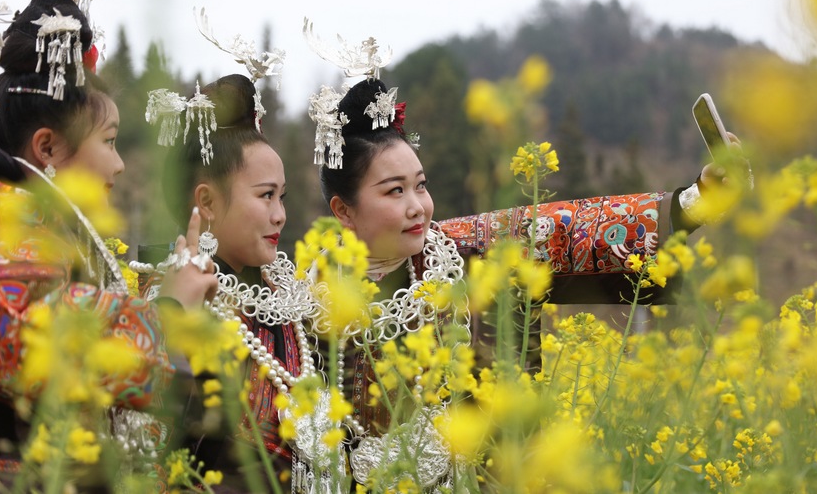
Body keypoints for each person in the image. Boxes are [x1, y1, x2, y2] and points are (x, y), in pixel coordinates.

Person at [312, 76, 739, 489]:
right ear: (343, 210)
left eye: (420, 186)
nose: (418, 207)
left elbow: (570, 230)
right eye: (394, 192)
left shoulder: (470, 260)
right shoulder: (303, 300)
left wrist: (698, 200)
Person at [0, 0, 217, 488]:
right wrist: (166, 314)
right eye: (109, 141)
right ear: (48, 147)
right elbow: (29, 335)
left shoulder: (31, 227)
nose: (120, 164)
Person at [142, 73, 316, 491]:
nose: (280, 216)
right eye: (265, 196)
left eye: (282, 197)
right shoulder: (173, 298)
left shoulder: (289, 296)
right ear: (207, 202)